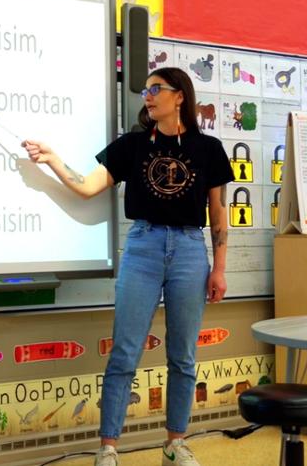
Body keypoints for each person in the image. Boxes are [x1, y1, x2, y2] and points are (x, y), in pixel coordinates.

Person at [22, 67, 233, 466]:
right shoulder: (132, 145)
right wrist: (52, 160)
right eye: (146, 91)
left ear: (180, 96)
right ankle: (109, 448)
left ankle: (175, 442)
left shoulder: (209, 149)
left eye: (157, 89)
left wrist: (219, 269)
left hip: (190, 249)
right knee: (125, 351)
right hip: (144, 246)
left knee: (183, 354)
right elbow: (87, 187)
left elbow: (219, 218)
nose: (148, 96)